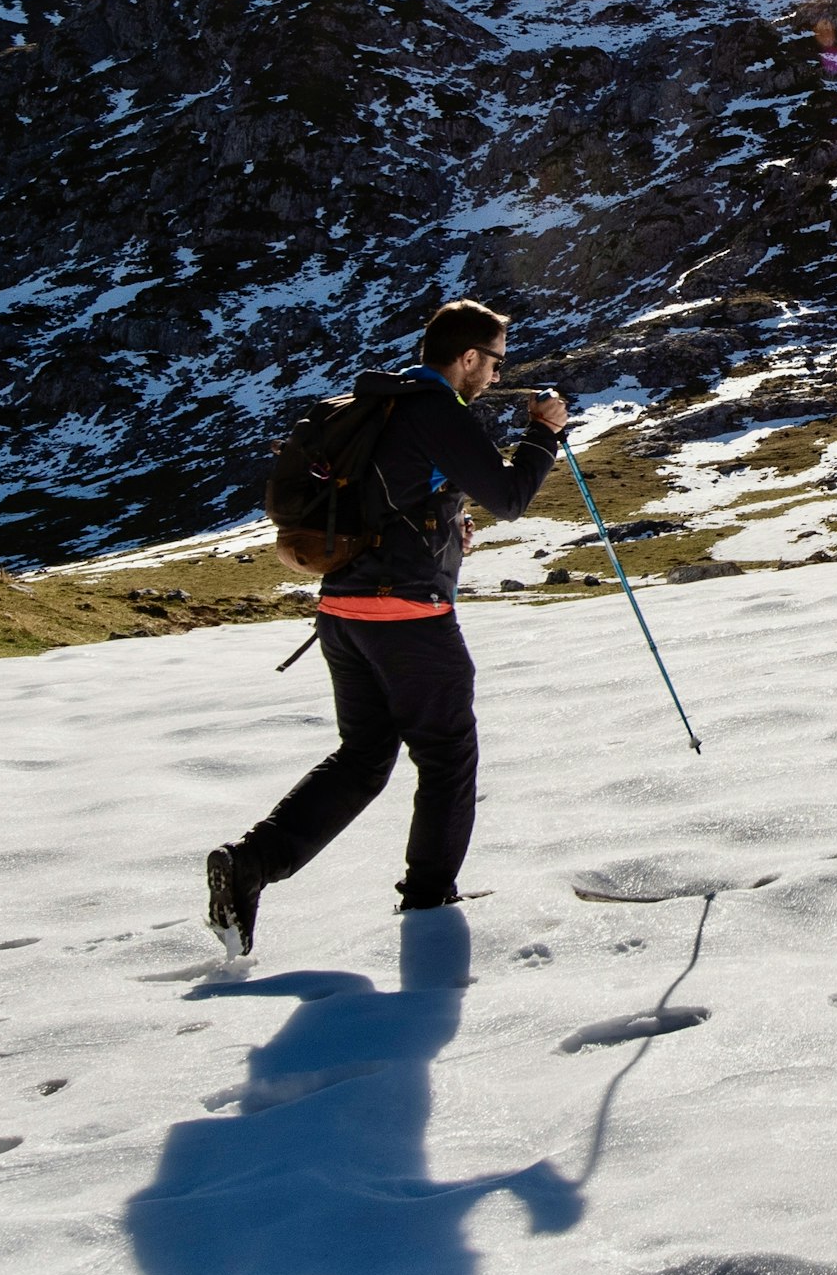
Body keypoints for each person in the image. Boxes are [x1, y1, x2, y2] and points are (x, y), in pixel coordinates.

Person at [205, 299, 566, 957]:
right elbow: (511, 496)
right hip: (408, 620)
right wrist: (545, 433)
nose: (493, 372)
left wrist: (448, 528)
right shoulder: (436, 409)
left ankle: (250, 863)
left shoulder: (379, 403)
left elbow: (397, 495)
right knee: (447, 755)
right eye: (493, 360)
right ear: (465, 357)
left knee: (364, 757)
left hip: (343, 614)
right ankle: (429, 901)